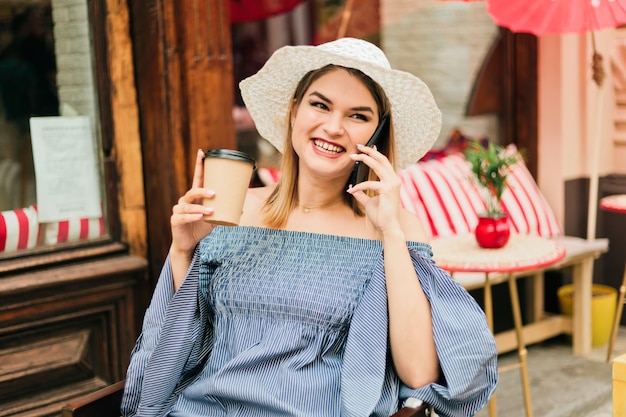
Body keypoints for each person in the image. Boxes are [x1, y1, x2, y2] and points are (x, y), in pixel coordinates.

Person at [121, 37, 498, 417]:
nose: (333, 127)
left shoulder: (394, 228)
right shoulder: (235, 209)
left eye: (358, 115)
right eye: (320, 105)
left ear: (376, 134)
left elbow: (419, 375)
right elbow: (179, 344)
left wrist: (391, 233)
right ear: (294, 111)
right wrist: (183, 250)